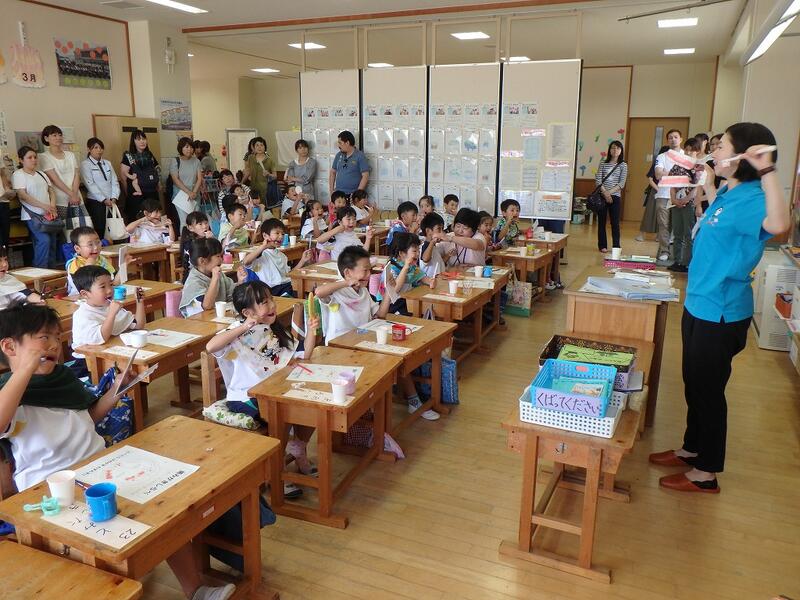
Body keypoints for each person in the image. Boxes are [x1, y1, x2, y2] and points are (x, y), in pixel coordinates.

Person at [0, 302, 238, 600]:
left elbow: (87, 418)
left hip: (96, 468)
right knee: (120, 528)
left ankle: (196, 590)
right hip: (52, 490)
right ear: (9, 346)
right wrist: (24, 369)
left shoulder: (61, 380)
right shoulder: (10, 393)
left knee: (162, 512)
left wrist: (116, 391)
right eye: (42, 337)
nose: (53, 345)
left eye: (56, 337)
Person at [649, 122, 789, 494]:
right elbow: (716, 225)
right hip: (699, 303)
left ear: (746, 156)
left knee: (708, 391)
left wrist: (768, 169)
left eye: (722, 146)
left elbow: (779, 223)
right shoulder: (729, 191)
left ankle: (706, 473)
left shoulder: (754, 196)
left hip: (722, 310)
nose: (714, 150)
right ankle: (692, 448)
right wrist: (710, 185)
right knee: (694, 384)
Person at [206, 281, 319, 495]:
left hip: (275, 389)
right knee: (281, 411)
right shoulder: (237, 334)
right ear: (247, 313)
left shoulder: (271, 329)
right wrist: (245, 326)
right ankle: (277, 473)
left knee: (313, 403)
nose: (272, 305)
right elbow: (211, 346)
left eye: (271, 299)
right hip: (244, 397)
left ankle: (298, 446)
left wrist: (312, 331)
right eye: (264, 302)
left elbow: (302, 356)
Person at [316, 246, 437, 420]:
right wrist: (346, 282)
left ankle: (413, 401)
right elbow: (319, 292)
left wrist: (388, 293)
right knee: (387, 363)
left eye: (369, 270)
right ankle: (375, 417)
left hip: (363, 343)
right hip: (340, 349)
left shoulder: (363, 291)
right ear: (348, 272)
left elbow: (379, 316)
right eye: (365, 270)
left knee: (398, 358)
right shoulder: (337, 291)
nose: (368, 275)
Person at [70, 265, 145, 359]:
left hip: (110, 354)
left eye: (111, 284)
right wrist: (112, 314)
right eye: (103, 287)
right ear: (85, 294)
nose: (109, 290)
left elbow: (138, 326)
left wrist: (139, 301)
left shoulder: (109, 306)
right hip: (87, 360)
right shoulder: (82, 315)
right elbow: (102, 338)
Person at [241, 219, 312, 298]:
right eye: (277, 233)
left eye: (282, 234)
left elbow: (288, 274)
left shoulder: (282, 256)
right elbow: (245, 262)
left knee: (306, 289)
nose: (281, 236)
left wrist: (302, 261)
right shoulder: (261, 254)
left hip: (286, 286)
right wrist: (263, 246)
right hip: (270, 290)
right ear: (265, 236)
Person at [12, 146, 58, 268]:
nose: (33, 160)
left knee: (52, 242)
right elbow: (22, 195)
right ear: (21, 160)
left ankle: (52, 271)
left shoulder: (41, 174)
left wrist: (52, 206)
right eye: (29, 157)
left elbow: (51, 191)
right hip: (32, 215)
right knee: (44, 241)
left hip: (48, 215)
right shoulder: (18, 174)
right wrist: (43, 206)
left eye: (35, 157)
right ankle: (40, 270)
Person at [38, 125, 89, 225]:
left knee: (84, 226)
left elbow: (77, 174)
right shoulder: (44, 157)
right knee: (66, 228)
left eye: (60, 135)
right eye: (54, 135)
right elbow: (55, 179)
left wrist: (74, 194)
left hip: (76, 197)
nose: (58, 137)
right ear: (46, 138)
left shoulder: (70, 155)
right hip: (60, 199)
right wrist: (71, 194)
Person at [179, 237, 244, 317]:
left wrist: (240, 281)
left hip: (216, 318)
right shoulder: (194, 281)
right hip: (198, 321)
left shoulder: (218, 275)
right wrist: (215, 278)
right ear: (202, 261)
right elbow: (207, 305)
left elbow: (232, 294)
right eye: (218, 256)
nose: (222, 260)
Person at [65, 226, 134, 296]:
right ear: (77, 249)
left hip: (103, 297)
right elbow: (84, 289)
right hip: (80, 299)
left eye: (98, 242)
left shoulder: (102, 260)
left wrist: (123, 265)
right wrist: (88, 268)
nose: (96, 247)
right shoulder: (74, 265)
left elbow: (114, 283)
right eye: (90, 245)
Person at [668, 137, 703, 273]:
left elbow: (697, 188)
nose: (688, 153)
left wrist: (686, 200)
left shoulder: (700, 167)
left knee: (689, 234)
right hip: (675, 203)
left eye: (691, 150)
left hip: (690, 204)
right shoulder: (677, 165)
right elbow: (671, 184)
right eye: (686, 150)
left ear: (697, 151)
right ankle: (677, 260)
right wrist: (674, 199)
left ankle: (687, 262)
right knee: (677, 233)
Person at [382, 232, 436, 315]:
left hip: (407, 300)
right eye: (414, 251)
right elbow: (394, 289)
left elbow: (421, 277)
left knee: (428, 310)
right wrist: (405, 267)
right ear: (401, 253)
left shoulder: (412, 267)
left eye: (418, 250)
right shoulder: (391, 268)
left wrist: (430, 281)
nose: (418, 253)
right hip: (392, 305)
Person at [80, 137, 120, 240]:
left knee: (114, 227)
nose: (99, 150)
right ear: (89, 149)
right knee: (100, 227)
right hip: (96, 202)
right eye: (95, 148)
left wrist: (114, 197)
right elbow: (90, 184)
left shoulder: (107, 163)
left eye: (101, 148)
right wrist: (103, 199)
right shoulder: (85, 164)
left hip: (111, 201)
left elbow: (114, 181)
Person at [654, 129, 684, 262]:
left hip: (681, 196)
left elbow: (690, 176)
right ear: (667, 140)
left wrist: (668, 173)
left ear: (681, 139)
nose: (673, 139)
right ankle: (664, 250)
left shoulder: (686, 156)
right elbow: (658, 174)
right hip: (663, 194)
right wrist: (678, 174)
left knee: (679, 225)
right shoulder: (662, 156)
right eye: (670, 137)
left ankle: (678, 253)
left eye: (676, 137)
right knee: (663, 224)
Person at [594, 140, 628, 253]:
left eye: (618, 148)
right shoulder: (603, 163)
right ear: (609, 150)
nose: (615, 150)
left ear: (621, 150)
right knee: (601, 222)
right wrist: (605, 193)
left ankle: (616, 246)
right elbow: (598, 180)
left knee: (615, 223)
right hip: (602, 196)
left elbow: (621, 183)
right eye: (613, 148)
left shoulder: (623, 165)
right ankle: (602, 245)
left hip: (615, 197)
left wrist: (609, 193)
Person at [120, 130, 160, 222]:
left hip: (151, 193)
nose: (142, 141)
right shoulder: (128, 156)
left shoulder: (149, 154)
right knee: (138, 220)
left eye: (144, 138)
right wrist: (128, 193)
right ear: (133, 141)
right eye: (138, 139)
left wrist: (158, 183)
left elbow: (156, 169)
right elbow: (123, 178)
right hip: (136, 195)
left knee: (154, 219)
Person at [635, 145, 668, 242]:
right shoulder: (656, 164)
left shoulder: (671, 165)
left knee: (662, 215)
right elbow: (650, 180)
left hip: (666, 191)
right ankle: (642, 234)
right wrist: (658, 189)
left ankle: (659, 235)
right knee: (649, 213)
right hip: (655, 191)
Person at [170, 137, 203, 231]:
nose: (189, 149)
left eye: (191, 147)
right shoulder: (175, 161)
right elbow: (175, 179)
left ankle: (196, 239)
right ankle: (185, 239)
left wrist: (194, 192)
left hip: (195, 195)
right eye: (186, 147)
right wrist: (189, 192)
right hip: (181, 195)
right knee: (184, 221)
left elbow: (199, 178)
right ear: (181, 148)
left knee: (196, 221)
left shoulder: (196, 161)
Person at [328, 131, 370, 196]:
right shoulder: (338, 155)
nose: (338, 145)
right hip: (338, 194)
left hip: (352, 195)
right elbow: (332, 172)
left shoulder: (360, 156)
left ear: (347, 143)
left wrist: (357, 195)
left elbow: (365, 176)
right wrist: (331, 192)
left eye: (340, 143)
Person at [179, 212, 213, 283]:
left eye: (206, 223)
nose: (205, 226)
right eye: (200, 224)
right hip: (194, 277)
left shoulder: (206, 239)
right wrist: (210, 242)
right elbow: (199, 264)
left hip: (206, 273)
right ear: (190, 228)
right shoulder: (190, 243)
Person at [242, 136, 276, 208]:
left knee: (264, 207)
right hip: (253, 189)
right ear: (254, 147)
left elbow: (275, 176)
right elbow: (248, 171)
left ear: (265, 147)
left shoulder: (270, 160)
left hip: (265, 190)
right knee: (254, 208)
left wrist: (268, 174)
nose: (259, 147)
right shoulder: (250, 158)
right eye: (257, 145)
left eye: (261, 145)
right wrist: (241, 183)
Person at [419, 212, 453, 278]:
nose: (442, 233)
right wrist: (432, 242)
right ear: (428, 231)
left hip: (439, 280)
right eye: (439, 229)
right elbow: (425, 259)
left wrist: (448, 255)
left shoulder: (434, 246)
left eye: (442, 229)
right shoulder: (426, 245)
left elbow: (438, 263)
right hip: (430, 282)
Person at [0, 165, 16, 248]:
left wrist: (7, 190)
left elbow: (2, 174)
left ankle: (4, 255)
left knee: (5, 236)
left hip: (3, 200)